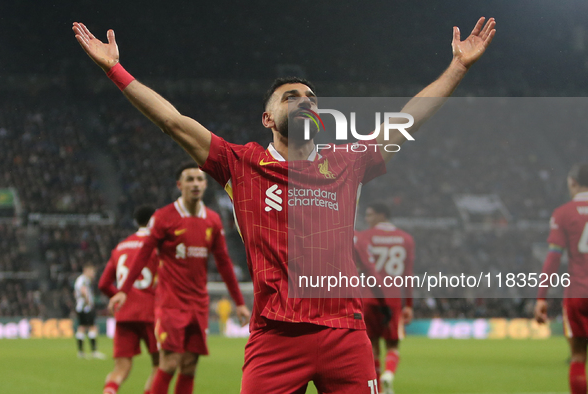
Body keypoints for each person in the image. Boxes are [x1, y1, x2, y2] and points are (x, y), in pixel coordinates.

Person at [73, 17, 495, 393]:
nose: (304, 100)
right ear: (267, 119)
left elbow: (409, 120)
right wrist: (115, 70)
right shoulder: (240, 164)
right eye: (290, 96)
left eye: (310, 96)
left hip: (345, 332)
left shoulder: (347, 162)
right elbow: (172, 121)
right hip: (275, 337)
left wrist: (457, 67)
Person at [108, 162, 250, 394]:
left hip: (198, 303)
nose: (195, 184)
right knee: (170, 362)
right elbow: (144, 253)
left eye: (199, 179)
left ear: (205, 184)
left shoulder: (212, 220)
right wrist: (123, 290)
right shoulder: (164, 217)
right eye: (190, 179)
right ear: (179, 184)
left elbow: (224, 262)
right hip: (171, 303)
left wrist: (240, 303)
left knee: (190, 365)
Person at [535, 164, 588, 394]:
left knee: (577, 356)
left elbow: (553, 259)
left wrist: (541, 298)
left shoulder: (563, 213)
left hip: (578, 293)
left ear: (573, 182)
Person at [354, 202, 415, 394]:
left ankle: (378, 388)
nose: (367, 218)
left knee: (371, 345)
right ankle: (389, 374)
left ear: (382, 215)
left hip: (368, 297)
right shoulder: (406, 239)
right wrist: (409, 305)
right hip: (393, 299)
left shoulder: (364, 237)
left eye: (370, 215)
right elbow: (408, 275)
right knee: (393, 345)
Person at [98, 205, 159, 394]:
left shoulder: (121, 247)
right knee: (160, 364)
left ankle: (109, 390)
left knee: (121, 368)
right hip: (151, 312)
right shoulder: (157, 245)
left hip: (125, 313)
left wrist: (118, 297)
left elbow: (103, 284)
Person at [74, 263, 105, 359]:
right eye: (92, 271)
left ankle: (81, 352)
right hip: (85, 308)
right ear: (86, 270)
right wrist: (88, 302)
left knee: (82, 327)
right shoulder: (83, 280)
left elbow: (76, 293)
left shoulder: (80, 279)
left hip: (81, 307)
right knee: (92, 327)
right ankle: (94, 351)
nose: (93, 273)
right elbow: (83, 291)